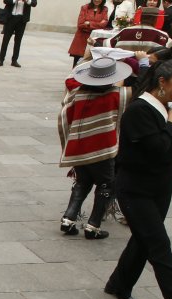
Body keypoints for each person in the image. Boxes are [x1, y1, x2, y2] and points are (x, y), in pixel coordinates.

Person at [105, 58, 172, 299]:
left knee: (144, 239)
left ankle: (118, 284)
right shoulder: (139, 110)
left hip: (160, 185)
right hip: (135, 188)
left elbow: (171, 144)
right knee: (158, 243)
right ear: (162, 82)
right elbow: (157, 146)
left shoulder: (169, 107)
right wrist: (171, 121)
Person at [58, 57, 133, 239]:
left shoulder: (78, 94)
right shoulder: (118, 95)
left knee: (82, 182)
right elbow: (142, 87)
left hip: (79, 148)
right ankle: (93, 225)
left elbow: (65, 116)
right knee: (106, 184)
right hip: (103, 150)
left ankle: (68, 219)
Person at [97, 8, 172, 51]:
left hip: (125, 70)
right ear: (155, 19)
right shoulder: (162, 35)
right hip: (148, 74)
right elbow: (168, 50)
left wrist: (95, 41)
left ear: (141, 17)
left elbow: (108, 44)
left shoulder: (125, 31)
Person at [0, 0, 37, 67]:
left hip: (22, 20)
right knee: (5, 40)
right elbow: (5, 1)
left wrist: (27, 1)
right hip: (10, 18)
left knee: (18, 41)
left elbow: (34, 3)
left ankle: (14, 61)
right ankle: (1, 60)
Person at [70, 0, 110, 67]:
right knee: (77, 61)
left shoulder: (104, 9)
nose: (97, 0)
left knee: (90, 62)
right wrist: (97, 24)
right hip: (82, 37)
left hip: (94, 38)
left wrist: (89, 23)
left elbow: (104, 24)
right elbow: (80, 24)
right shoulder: (84, 7)